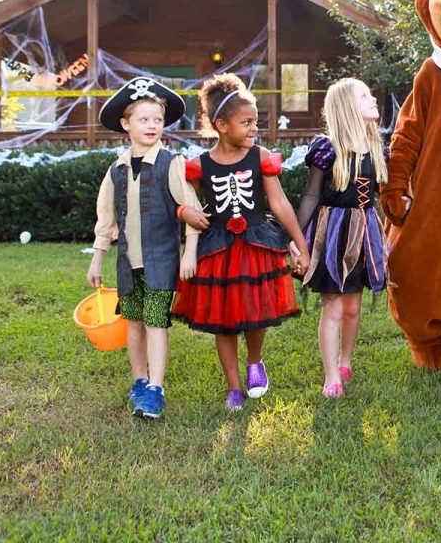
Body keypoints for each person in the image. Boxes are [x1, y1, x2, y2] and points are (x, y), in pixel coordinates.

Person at [171, 74, 310, 410]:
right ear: (221, 125)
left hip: (257, 243)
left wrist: (301, 246)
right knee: (224, 319)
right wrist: (182, 211)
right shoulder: (199, 166)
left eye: (255, 122)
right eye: (246, 122)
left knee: (256, 310)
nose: (253, 129)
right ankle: (233, 387)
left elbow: (278, 203)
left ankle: (254, 361)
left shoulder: (260, 157)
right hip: (218, 248)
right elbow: (181, 201)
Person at [87, 77, 208, 419]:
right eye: (144, 119)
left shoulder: (172, 164)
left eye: (157, 119)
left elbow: (192, 210)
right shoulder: (116, 170)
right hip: (128, 264)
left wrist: (189, 251)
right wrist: (97, 261)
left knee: (156, 322)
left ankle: (156, 388)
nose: (152, 125)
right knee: (134, 322)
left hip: (160, 262)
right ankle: (139, 380)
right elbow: (106, 220)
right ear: (126, 124)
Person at [295, 79, 389, 398]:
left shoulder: (376, 148)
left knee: (352, 307)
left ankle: (345, 361)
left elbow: (381, 198)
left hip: (364, 232)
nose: (373, 99)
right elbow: (310, 195)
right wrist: (296, 238)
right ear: (348, 107)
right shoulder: (326, 148)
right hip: (333, 232)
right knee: (333, 306)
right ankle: (331, 375)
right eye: (365, 96)